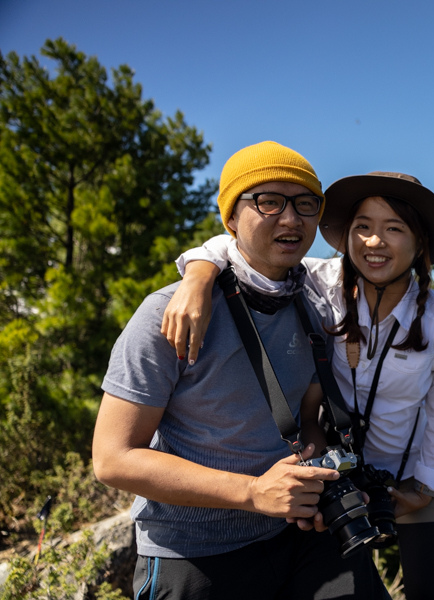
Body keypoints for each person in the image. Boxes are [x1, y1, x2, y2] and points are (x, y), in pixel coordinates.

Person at [93, 141, 390, 600]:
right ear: (231, 218)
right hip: (192, 549)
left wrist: (318, 482)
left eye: (306, 203)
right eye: (268, 201)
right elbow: (112, 458)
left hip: (291, 531)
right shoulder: (169, 313)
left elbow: (307, 420)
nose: (291, 219)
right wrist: (253, 492)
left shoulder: (309, 304)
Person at [163, 171, 434, 600]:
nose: (374, 242)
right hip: (336, 473)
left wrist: (426, 486)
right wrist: (197, 276)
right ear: (346, 236)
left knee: (431, 591)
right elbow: (237, 247)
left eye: (394, 229)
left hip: (411, 474)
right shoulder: (322, 282)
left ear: (420, 244)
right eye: (362, 227)